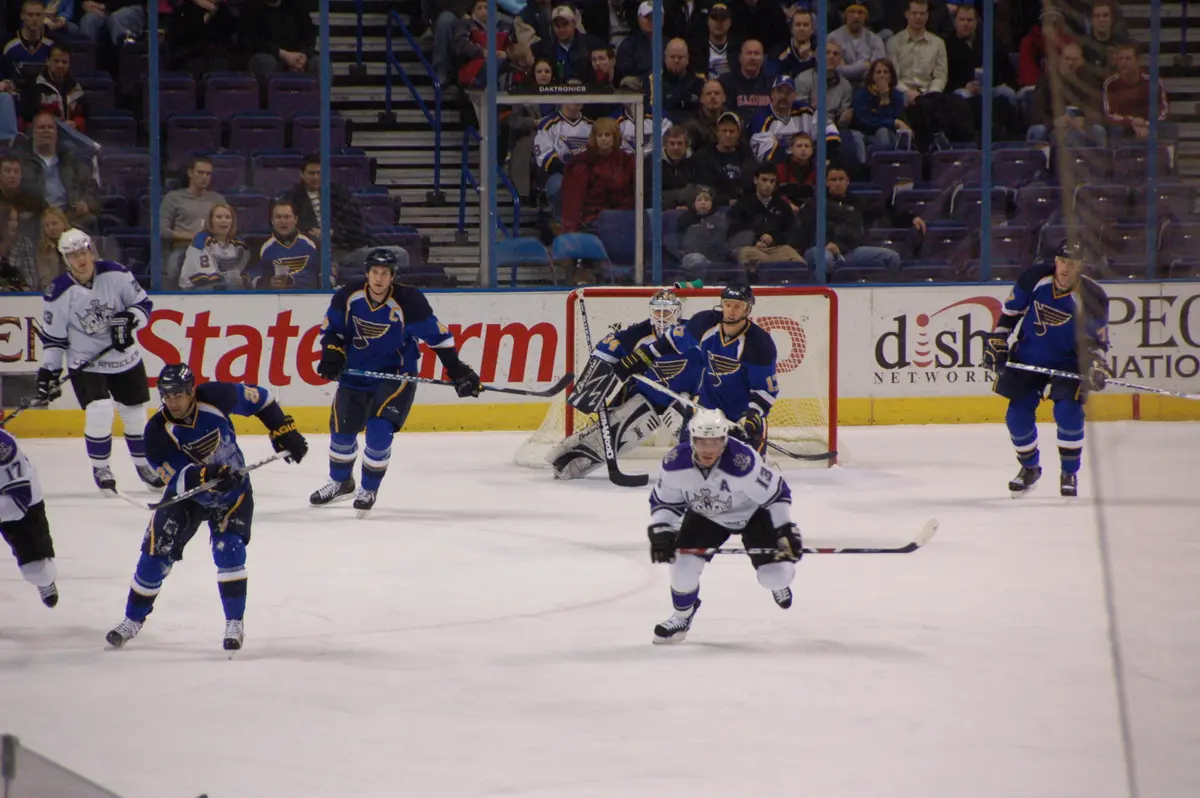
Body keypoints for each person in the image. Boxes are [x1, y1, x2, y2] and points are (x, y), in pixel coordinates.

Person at [104, 363, 310, 652]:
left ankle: (234, 623)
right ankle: (131, 620)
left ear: (191, 391)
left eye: (178, 394)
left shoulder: (217, 396)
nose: (172, 402)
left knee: (230, 550)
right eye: (167, 396)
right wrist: (206, 475)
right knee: (154, 557)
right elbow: (175, 477)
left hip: (232, 492)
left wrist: (282, 428)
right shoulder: (156, 433)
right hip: (188, 496)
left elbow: (261, 399)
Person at [310, 249, 483, 517]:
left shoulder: (409, 301)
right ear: (367, 274)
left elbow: (440, 338)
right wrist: (332, 351)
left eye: (385, 273)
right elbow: (331, 330)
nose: (379, 278)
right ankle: (340, 482)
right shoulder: (347, 296)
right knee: (342, 435)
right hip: (355, 375)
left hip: (396, 376)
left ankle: (368, 489)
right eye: (375, 272)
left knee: (379, 432)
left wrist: (457, 369)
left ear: (393, 276)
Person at [646, 407, 802, 643]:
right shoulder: (675, 463)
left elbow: (777, 494)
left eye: (716, 441)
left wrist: (784, 530)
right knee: (681, 568)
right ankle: (682, 616)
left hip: (753, 515)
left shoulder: (742, 462)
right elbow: (665, 501)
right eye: (701, 441)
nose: (708, 449)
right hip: (707, 515)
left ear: (725, 439)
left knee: (774, 576)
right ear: (692, 439)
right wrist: (661, 531)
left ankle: (778, 582)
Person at [37, 228, 161, 493]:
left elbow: (144, 305)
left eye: (83, 252)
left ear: (91, 250)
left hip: (125, 358)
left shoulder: (116, 273)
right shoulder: (58, 292)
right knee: (100, 410)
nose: (80, 259)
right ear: (65, 259)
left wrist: (129, 321)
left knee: (136, 414)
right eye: (72, 255)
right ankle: (101, 467)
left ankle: (143, 465)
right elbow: (54, 339)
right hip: (86, 363)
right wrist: (49, 372)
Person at [983, 242, 1110, 498]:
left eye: (1072, 264)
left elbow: (1095, 344)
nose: (1065, 268)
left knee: (1068, 412)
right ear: (1056, 261)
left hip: (1068, 363)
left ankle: (1068, 473)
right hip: (1028, 357)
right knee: (1016, 416)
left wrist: (1096, 364)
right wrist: (997, 341)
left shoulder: (1092, 297)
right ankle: (1029, 469)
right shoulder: (1035, 279)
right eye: (1062, 261)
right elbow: (1010, 314)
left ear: (1081, 267)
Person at [601, 282, 780, 455]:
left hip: (741, 413)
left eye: (738, 306)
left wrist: (753, 414)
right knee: (694, 462)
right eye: (728, 305)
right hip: (705, 409)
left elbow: (764, 391)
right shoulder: (705, 324)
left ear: (747, 309)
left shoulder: (759, 345)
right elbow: (670, 342)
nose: (731, 311)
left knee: (746, 470)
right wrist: (642, 358)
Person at [554, 289, 701, 479]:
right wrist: (601, 372)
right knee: (621, 432)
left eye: (667, 312)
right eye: (658, 312)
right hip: (648, 399)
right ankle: (566, 462)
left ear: (678, 312)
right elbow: (609, 348)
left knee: (696, 427)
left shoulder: (695, 330)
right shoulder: (638, 333)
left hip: (689, 398)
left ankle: (698, 469)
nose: (662, 317)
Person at [0, 429, 59, 608]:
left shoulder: (4, 449)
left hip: (17, 501)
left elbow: (17, 505)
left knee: (38, 570)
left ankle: (45, 581)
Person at [247, 200, 320, 289]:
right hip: (275, 299)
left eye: (287, 217)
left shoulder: (313, 243)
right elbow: (253, 276)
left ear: (296, 219)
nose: (283, 221)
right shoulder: (261, 247)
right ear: (272, 221)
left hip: (311, 298)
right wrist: (268, 283)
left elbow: (329, 268)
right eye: (278, 217)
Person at [179, 203, 249, 290]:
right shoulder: (201, 241)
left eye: (228, 217)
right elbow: (204, 278)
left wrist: (242, 280)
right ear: (211, 221)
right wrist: (228, 280)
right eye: (219, 217)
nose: (223, 221)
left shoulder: (239, 245)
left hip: (225, 287)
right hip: (195, 289)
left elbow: (243, 270)